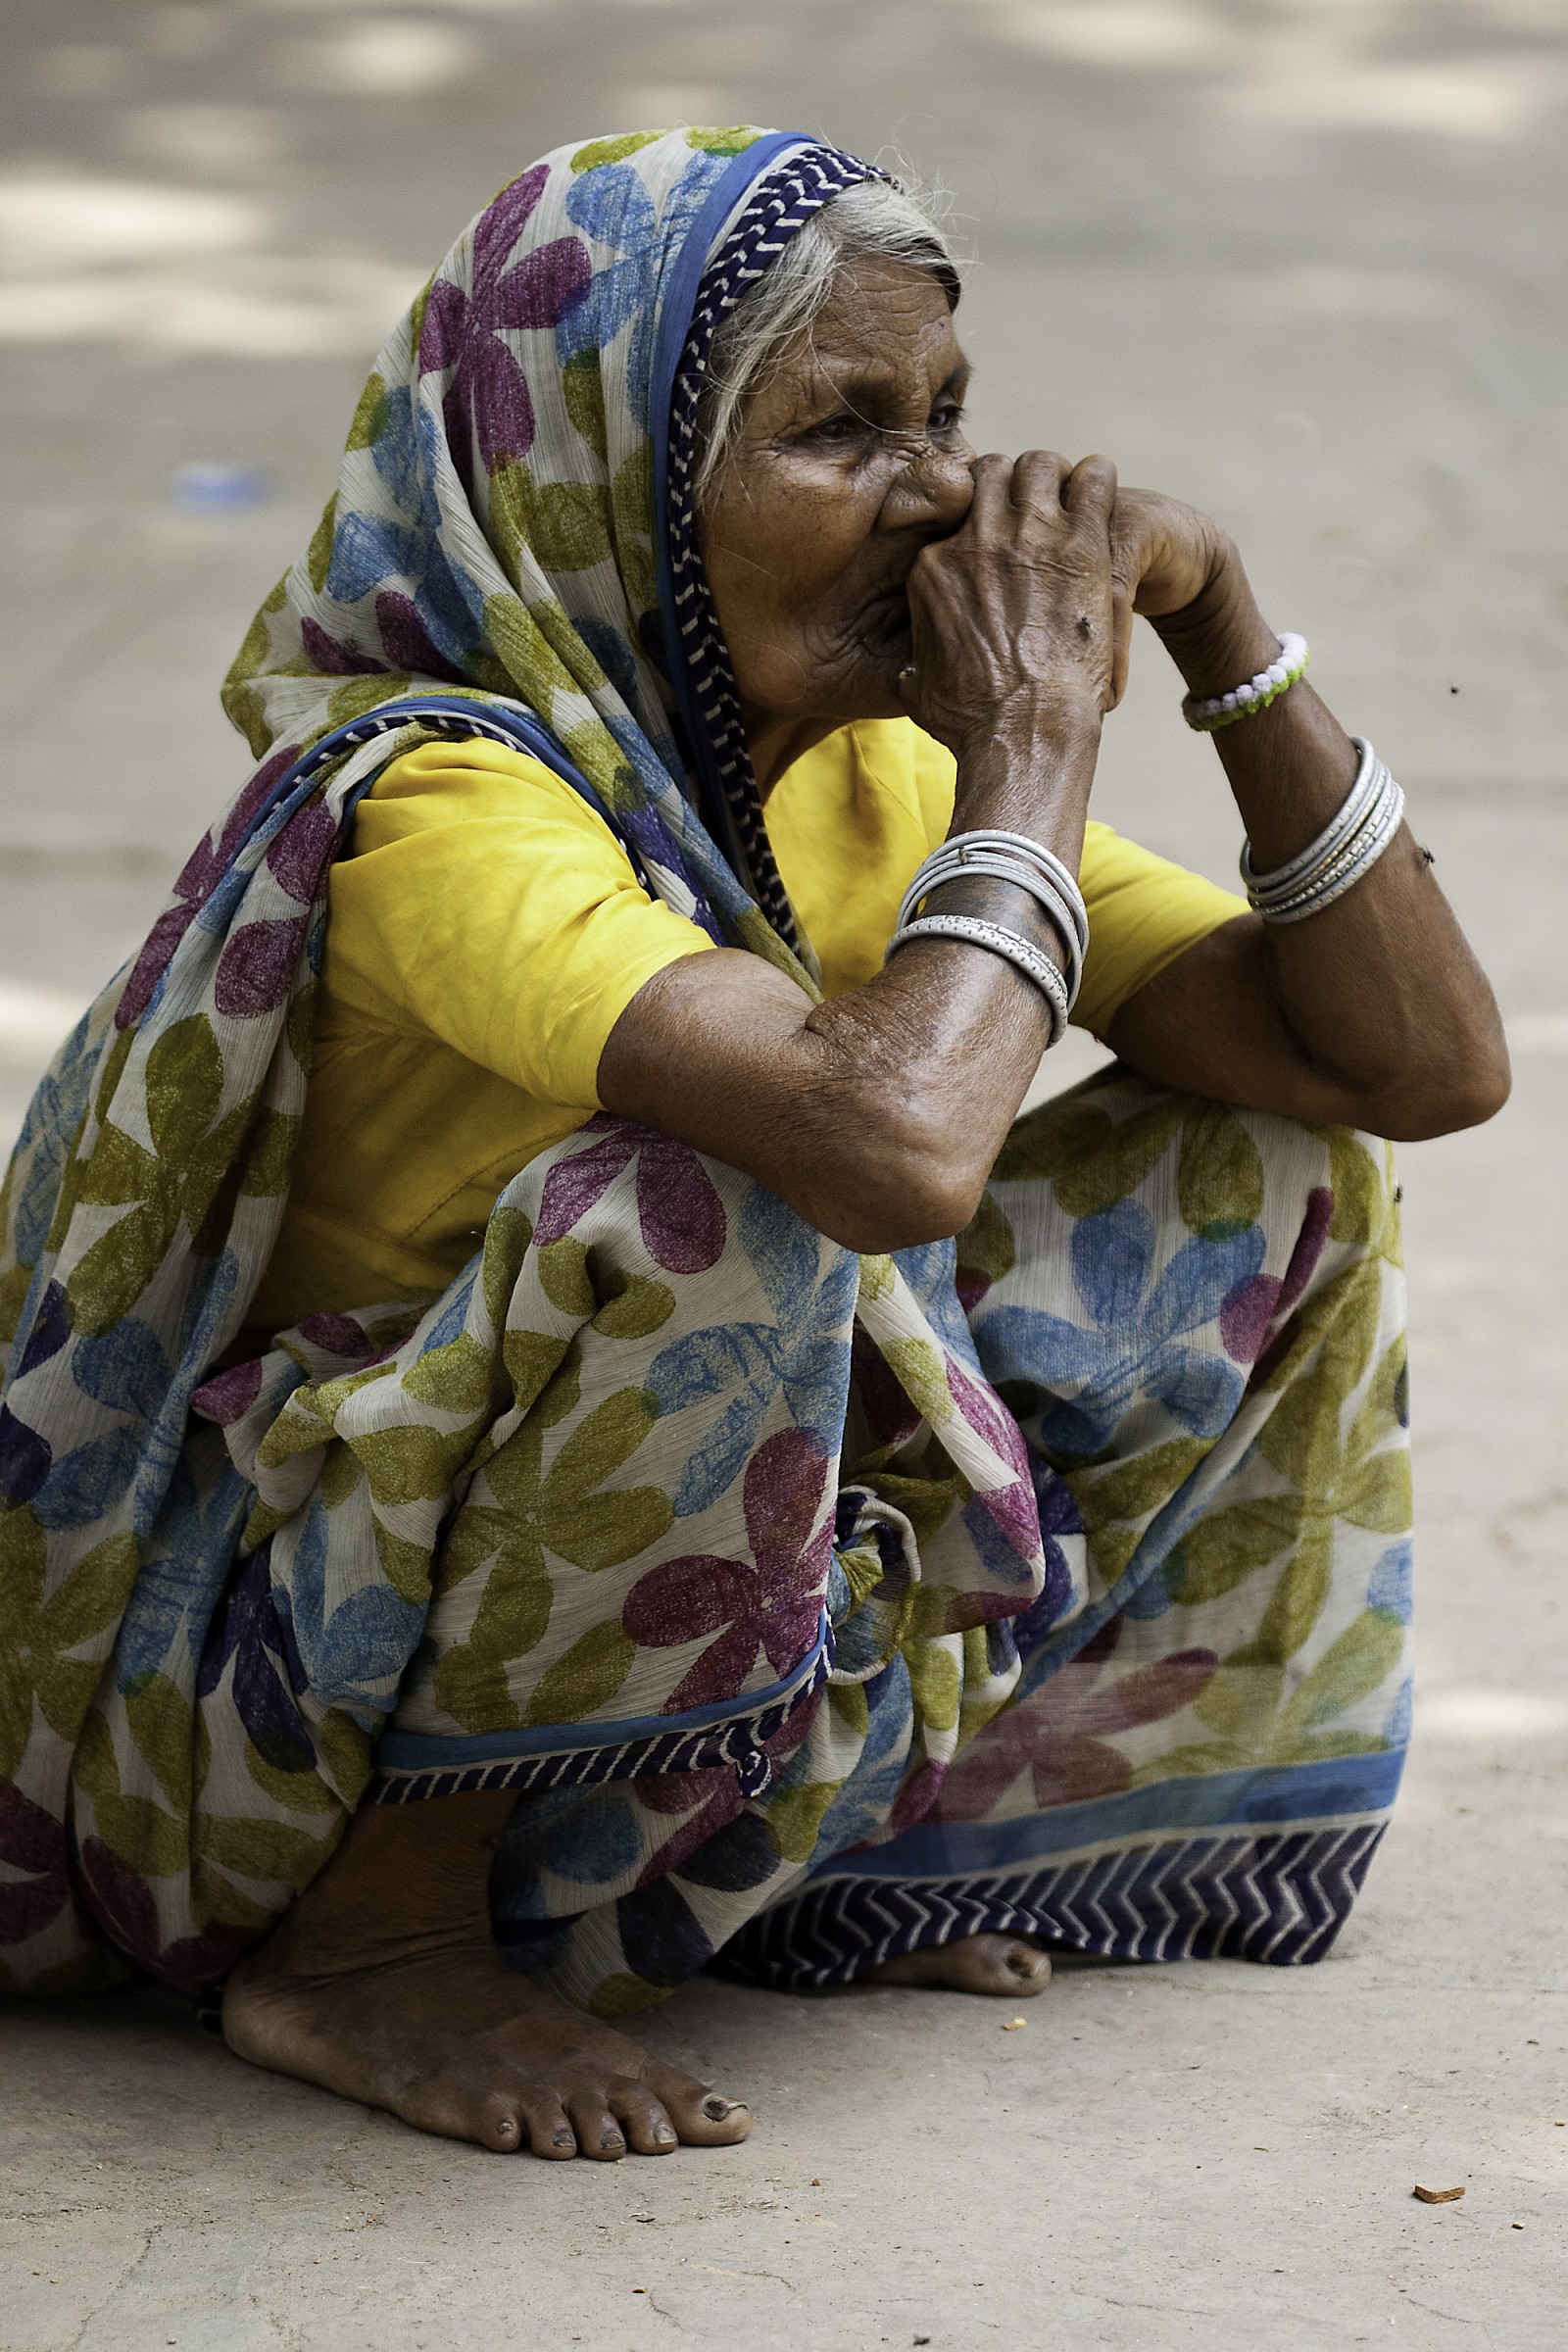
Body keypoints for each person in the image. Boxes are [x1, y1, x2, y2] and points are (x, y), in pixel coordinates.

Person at [0, 127, 1507, 2164]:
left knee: (1275, 1166)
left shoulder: (867, 775)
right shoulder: (443, 801)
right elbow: (877, 1150)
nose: (941, 498)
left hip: (633, 1633)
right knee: (718, 1207)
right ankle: (367, 1948)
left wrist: (1228, 630)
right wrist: (1040, 748)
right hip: (249, 1712)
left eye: (947, 419)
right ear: (601, 487)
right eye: (839, 432)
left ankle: (821, 1851)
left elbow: (1411, 1067)